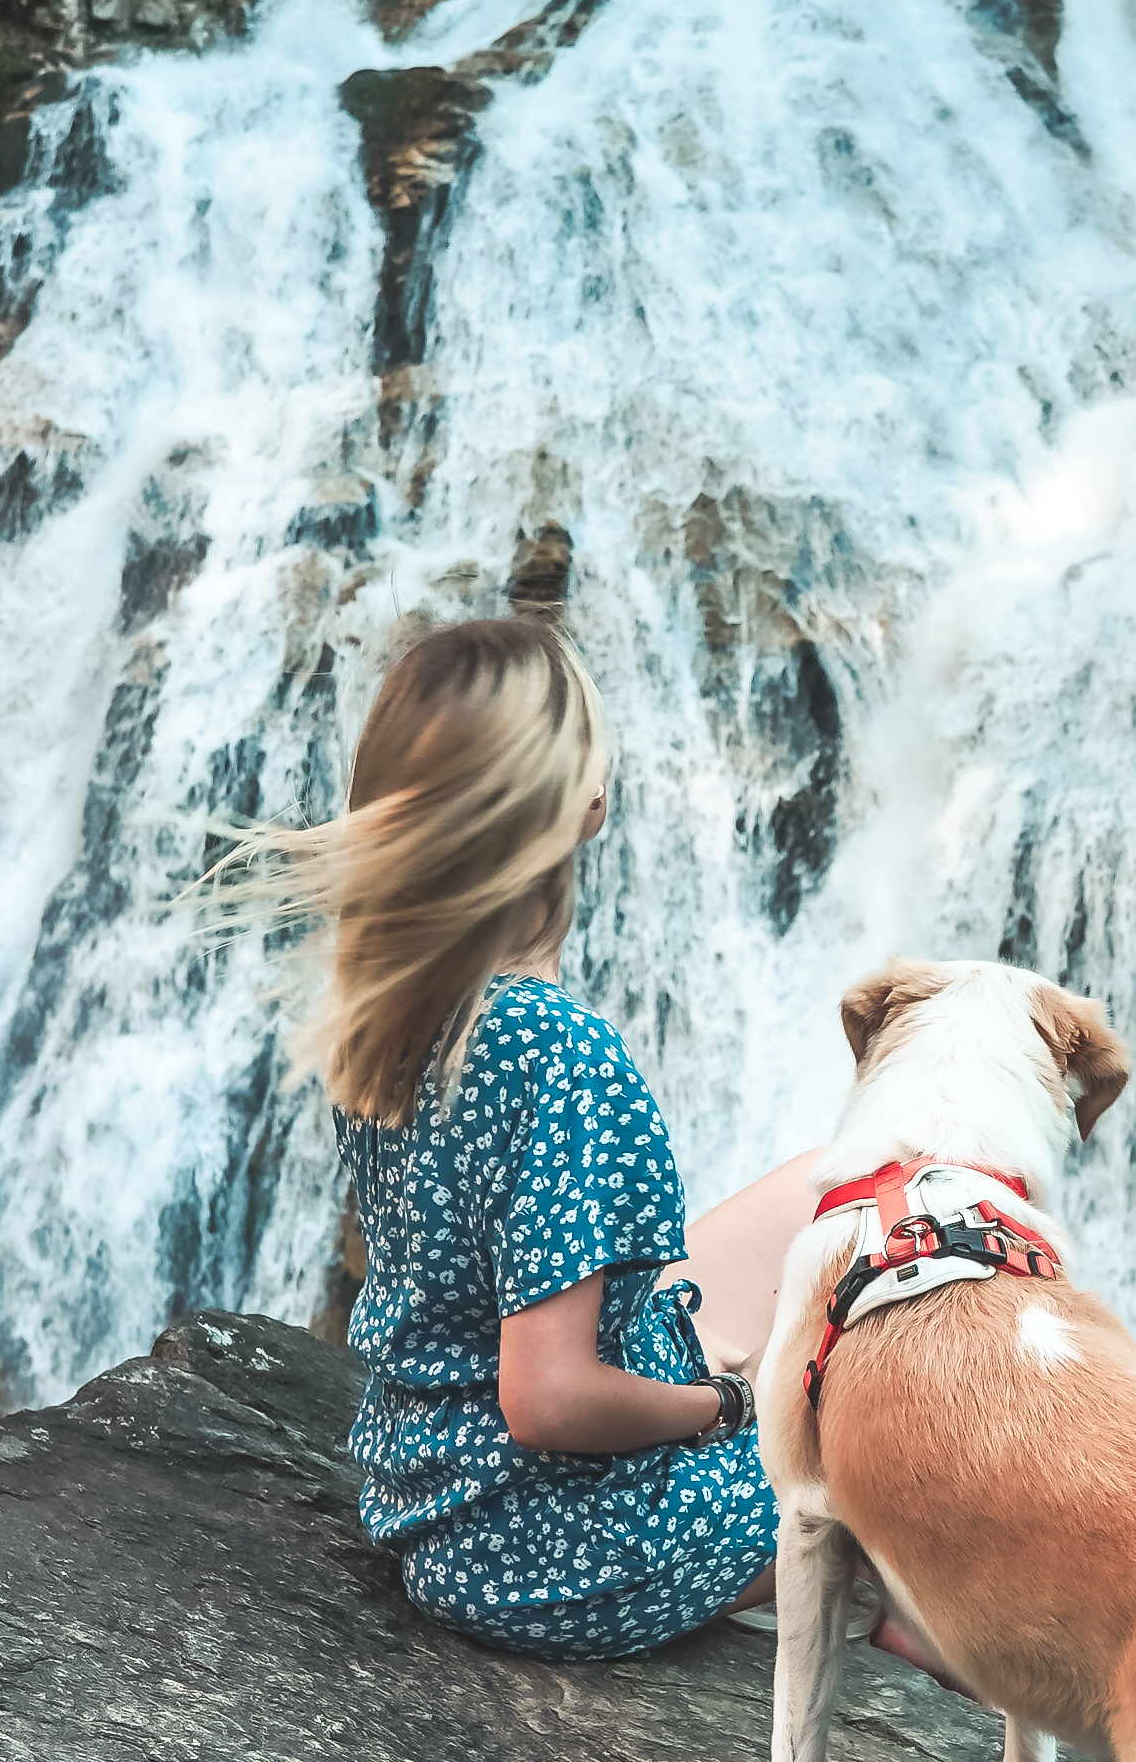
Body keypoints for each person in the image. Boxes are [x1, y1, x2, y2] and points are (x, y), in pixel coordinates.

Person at [210, 613, 836, 1660]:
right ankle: (895, 1632)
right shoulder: (555, 1050)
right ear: (578, 804)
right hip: (563, 1553)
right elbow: (547, 1399)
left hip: (440, 1510)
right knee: (872, 1481)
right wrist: (720, 1405)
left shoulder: (396, 1002)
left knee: (840, 1188)